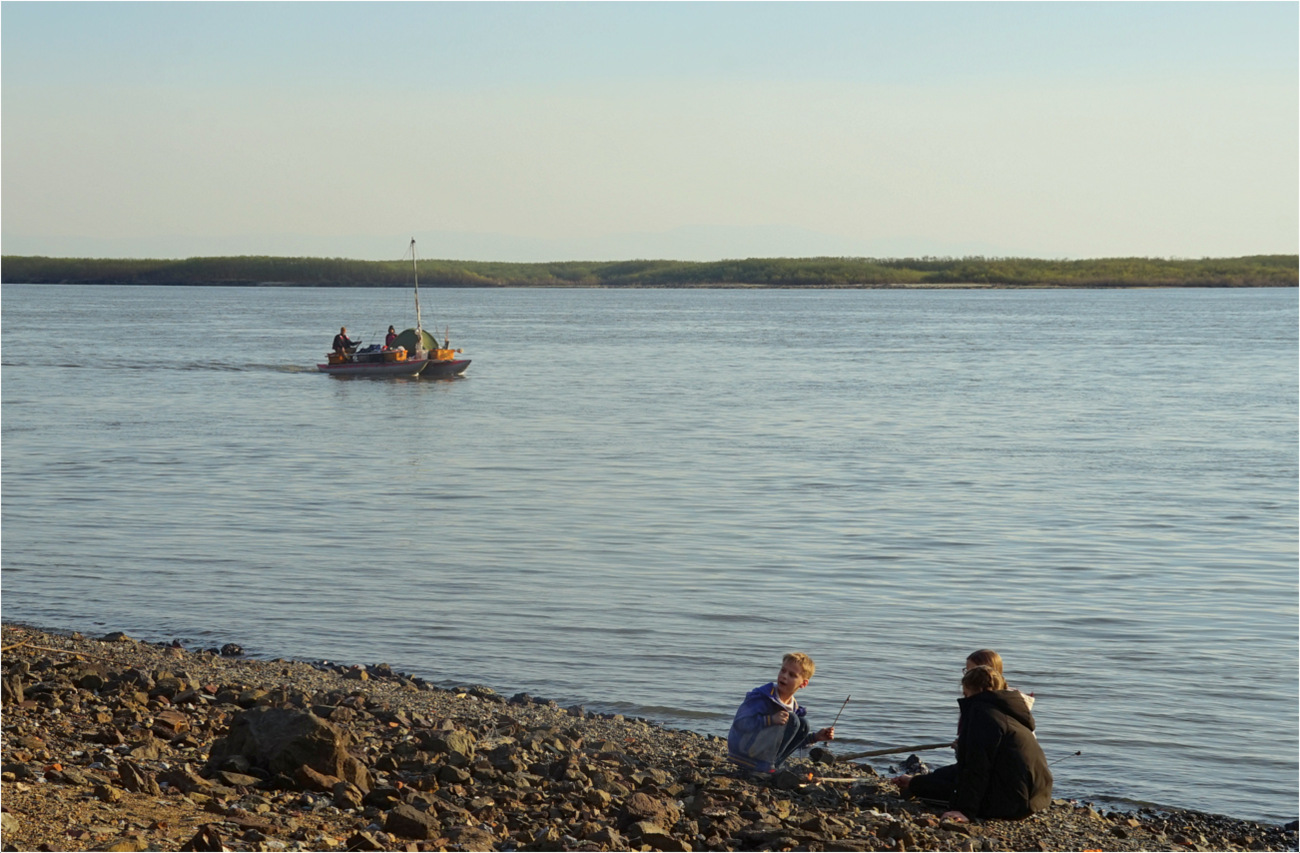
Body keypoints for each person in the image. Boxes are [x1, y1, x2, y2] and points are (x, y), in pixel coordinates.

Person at [895, 665, 1052, 822]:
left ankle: (916, 784)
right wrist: (919, 780)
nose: (965, 699)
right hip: (1034, 797)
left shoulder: (983, 714)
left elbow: (977, 767)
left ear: (979, 691)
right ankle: (914, 781)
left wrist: (964, 811)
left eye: (966, 693)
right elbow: (967, 766)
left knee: (925, 792)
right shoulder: (1009, 710)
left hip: (1012, 804)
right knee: (941, 775)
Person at [728, 652, 835, 773]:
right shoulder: (762, 697)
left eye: (792, 675)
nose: (784, 676)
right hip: (743, 751)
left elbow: (789, 743)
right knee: (793, 720)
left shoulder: (793, 707)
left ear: (803, 683)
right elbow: (740, 723)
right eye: (783, 670)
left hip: (762, 756)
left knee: (803, 723)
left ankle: (773, 767)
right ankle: (768, 767)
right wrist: (770, 720)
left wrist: (815, 738)